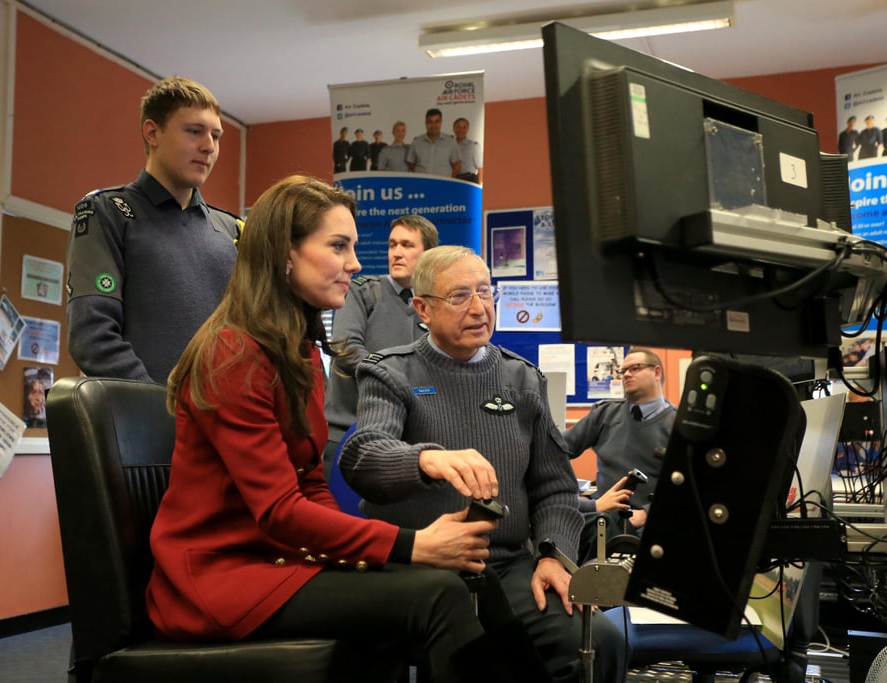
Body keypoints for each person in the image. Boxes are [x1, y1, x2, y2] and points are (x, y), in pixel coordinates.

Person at [144, 176, 548, 683]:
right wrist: (410, 545)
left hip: (281, 560)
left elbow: (310, 485)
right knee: (439, 593)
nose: (356, 264)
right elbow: (279, 511)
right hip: (223, 578)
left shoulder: (302, 350)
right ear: (283, 254)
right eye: (339, 246)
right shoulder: (232, 353)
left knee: (468, 577)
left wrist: (369, 553)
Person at [341, 246, 628, 683]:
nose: (479, 309)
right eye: (459, 296)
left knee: (600, 642)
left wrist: (554, 556)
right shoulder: (390, 373)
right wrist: (427, 458)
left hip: (506, 566)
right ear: (422, 308)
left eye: (485, 293)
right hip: (417, 564)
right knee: (468, 659)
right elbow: (364, 456)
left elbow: (555, 490)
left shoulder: (524, 380)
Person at [65, 76, 240, 383]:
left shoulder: (231, 230)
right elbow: (93, 338)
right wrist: (159, 410)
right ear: (152, 132)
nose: (208, 146)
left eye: (216, 136)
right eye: (194, 131)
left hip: (226, 423)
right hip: (148, 424)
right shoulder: (108, 213)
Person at [322, 214, 439, 475]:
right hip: (348, 431)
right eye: (392, 244)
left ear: (428, 254)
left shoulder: (433, 305)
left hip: (404, 438)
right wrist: (391, 380)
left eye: (407, 245)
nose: (396, 253)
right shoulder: (362, 290)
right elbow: (346, 347)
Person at [563, 348, 676, 562]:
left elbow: (688, 487)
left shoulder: (677, 426)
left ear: (657, 372)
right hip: (602, 519)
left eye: (635, 368)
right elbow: (560, 448)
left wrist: (647, 514)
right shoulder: (605, 414)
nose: (626, 375)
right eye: (622, 370)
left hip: (648, 525)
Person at [407, 108, 461, 177]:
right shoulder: (416, 142)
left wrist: (449, 181)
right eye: (430, 122)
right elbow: (411, 165)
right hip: (422, 184)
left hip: (443, 185)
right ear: (425, 123)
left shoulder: (451, 141)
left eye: (436, 121)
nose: (433, 125)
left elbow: (457, 165)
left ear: (441, 122)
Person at [453, 117, 483, 183]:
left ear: (468, 129)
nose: (461, 130)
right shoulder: (449, 145)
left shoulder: (474, 146)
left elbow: (480, 169)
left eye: (464, 127)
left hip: (468, 180)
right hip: (453, 179)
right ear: (454, 129)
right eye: (458, 127)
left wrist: (478, 188)